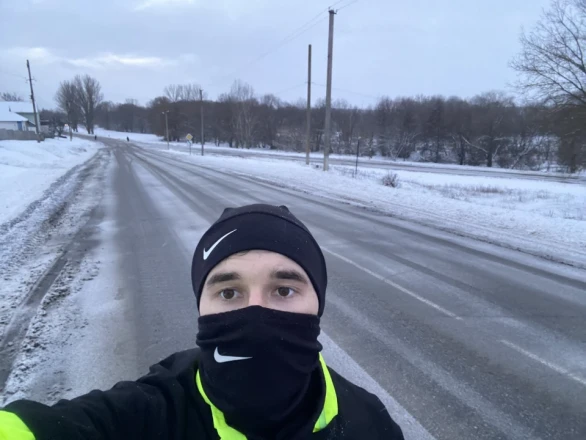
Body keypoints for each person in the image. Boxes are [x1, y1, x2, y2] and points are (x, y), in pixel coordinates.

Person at [0, 204, 404, 439]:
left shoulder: (371, 423)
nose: (256, 313)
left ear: (318, 304)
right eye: (229, 292)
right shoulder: (148, 416)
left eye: (284, 290)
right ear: (201, 306)